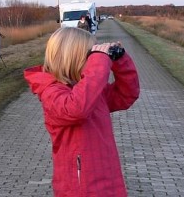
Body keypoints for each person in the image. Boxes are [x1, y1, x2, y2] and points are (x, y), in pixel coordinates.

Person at [24, 27, 140, 196]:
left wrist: (120, 60)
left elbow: (126, 95)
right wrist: (99, 62)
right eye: (89, 56)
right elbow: (76, 109)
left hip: (106, 176)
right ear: (73, 58)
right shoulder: (51, 92)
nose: (92, 61)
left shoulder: (89, 90)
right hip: (80, 185)